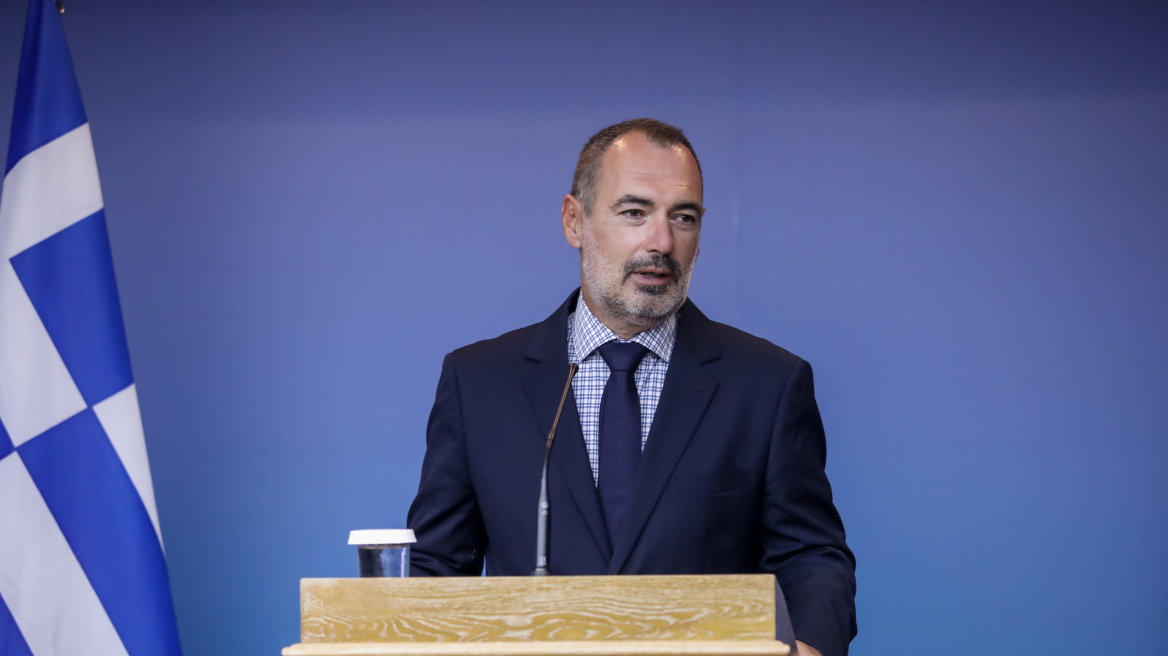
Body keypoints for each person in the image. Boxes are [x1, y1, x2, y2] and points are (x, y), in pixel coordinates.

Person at [406, 118, 856, 656]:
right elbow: (437, 565)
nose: (661, 242)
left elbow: (809, 556)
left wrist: (808, 645)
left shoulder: (768, 384)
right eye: (634, 212)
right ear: (574, 221)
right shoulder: (478, 382)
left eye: (683, 217)